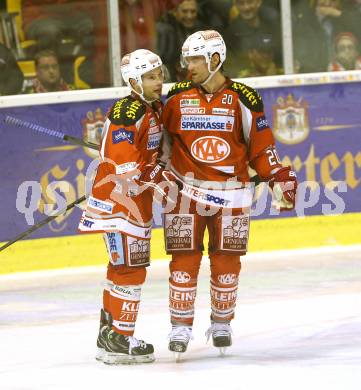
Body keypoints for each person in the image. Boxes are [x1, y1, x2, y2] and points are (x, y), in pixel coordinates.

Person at [156, 30, 297, 358]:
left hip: (231, 195)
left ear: (214, 59)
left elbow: (261, 146)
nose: (187, 65)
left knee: (227, 262)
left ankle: (221, 322)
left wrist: (276, 176)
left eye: (194, 59)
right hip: (184, 193)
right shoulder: (175, 97)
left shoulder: (244, 97)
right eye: (186, 58)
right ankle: (180, 326)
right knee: (183, 260)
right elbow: (158, 144)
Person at [78, 49, 165, 364]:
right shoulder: (129, 111)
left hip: (124, 204)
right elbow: (125, 166)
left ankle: (110, 337)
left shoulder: (148, 108)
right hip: (123, 206)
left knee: (120, 268)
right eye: (151, 77)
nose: (159, 82)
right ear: (134, 81)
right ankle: (121, 340)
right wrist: (155, 173)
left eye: (160, 75)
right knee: (130, 270)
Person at [224, 0, 281, 77]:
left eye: (250, 2)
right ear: (235, 5)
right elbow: (230, 66)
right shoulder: (231, 33)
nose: (246, 7)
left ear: (259, 2)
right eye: (241, 3)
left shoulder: (273, 25)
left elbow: (282, 55)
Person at [157, 0, 207, 80]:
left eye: (193, 11)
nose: (189, 16)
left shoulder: (203, 31)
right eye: (184, 11)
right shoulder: (164, 31)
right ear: (174, 11)